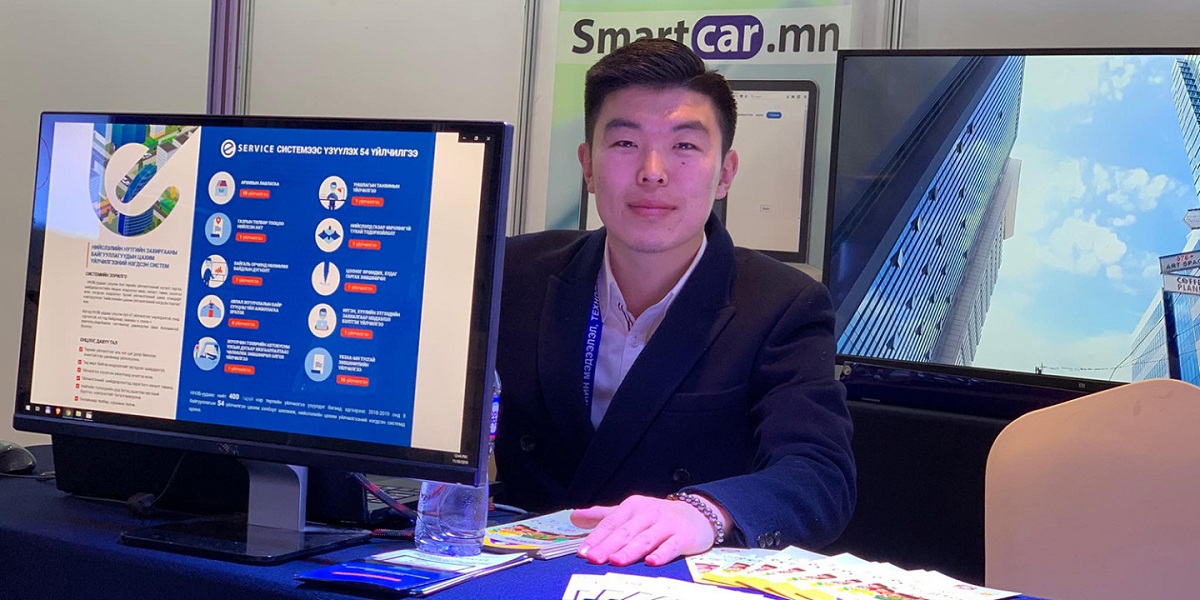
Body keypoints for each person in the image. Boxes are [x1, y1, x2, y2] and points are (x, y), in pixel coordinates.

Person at [493, 37, 854, 568]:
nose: (653, 171)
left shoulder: (781, 304)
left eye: (685, 146)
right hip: (517, 565)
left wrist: (704, 512)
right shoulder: (513, 271)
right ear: (588, 166)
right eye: (625, 143)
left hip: (670, 575)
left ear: (725, 173)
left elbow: (819, 473)